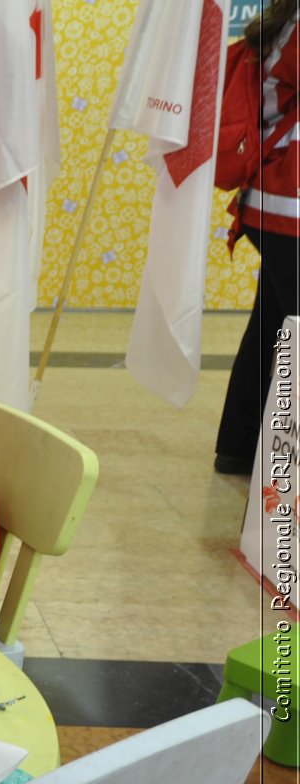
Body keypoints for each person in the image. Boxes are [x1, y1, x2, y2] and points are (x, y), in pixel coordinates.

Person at [215, 0, 299, 476]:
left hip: (274, 203)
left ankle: (239, 446)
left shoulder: (286, 21)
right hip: (288, 203)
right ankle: (282, 458)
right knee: (294, 332)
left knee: (270, 324)